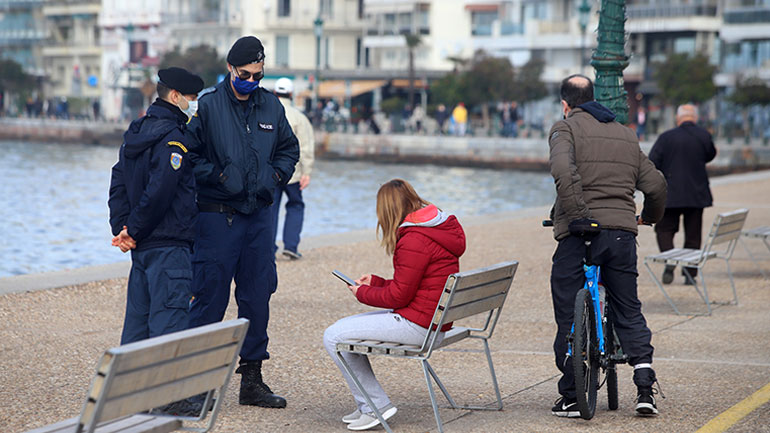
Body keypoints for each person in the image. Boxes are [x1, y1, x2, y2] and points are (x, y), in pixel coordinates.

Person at [185, 35, 299, 409]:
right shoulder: (208, 107)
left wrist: (275, 178)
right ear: (231, 69)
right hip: (218, 220)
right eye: (246, 74)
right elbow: (189, 155)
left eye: (258, 74)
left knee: (257, 298)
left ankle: (252, 381)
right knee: (208, 301)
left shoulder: (272, 107)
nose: (253, 80)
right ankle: (195, 386)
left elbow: (288, 149)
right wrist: (219, 179)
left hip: (259, 220)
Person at [547, 75, 667, 418]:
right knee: (628, 308)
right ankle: (644, 387)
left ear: (566, 104)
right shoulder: (626, 134)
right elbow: (656, 184)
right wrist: (649, 217)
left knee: (569, 312)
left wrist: (580, 216)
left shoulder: (564, 128)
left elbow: (562, 170)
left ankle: (572, 395)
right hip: (621, 235)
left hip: (580, 233)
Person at [323, 179, 466, 431]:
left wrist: (362, 292)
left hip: (419, 327)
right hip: (434, 321)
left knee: (333, 335)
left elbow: (398, 298)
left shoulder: (414, 239)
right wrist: (376, 282)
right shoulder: (436, 228)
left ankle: (375, 406)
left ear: (388, 210)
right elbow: (413, 286)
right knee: (341, 333)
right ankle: (368, 404)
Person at [108, 67, 204, 345]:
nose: (194, 103)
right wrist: (132, 230)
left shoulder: (137, 131)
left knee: (136, 337)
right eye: (192, 96)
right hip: (169, 249)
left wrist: (122, 227)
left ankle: (130, 389)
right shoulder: (174, 138)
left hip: (141, 252)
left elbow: (118, 182)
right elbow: (160, 191)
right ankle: (167, 391)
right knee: (167, 337)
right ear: (175, 96)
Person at [648, 104, 717, 285]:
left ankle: (670, 259)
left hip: (671, 193)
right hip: (696, 192)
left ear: (678, 119)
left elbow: (653, 162)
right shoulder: (704, 135)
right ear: (694, 118)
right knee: (693, 234)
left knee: (664, 229)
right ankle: (689, 273)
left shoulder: (666, 138)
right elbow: (710, 155)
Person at [271, 77, 315, 260]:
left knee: (269, 209)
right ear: (291, 94)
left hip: (270, 172)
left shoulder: (268, 113)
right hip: (293, 174)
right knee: (296, 206)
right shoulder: (299, 118)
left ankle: (267, 247)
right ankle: (290, 245)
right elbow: (305, 147)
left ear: (275, 93)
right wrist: (307, 172)